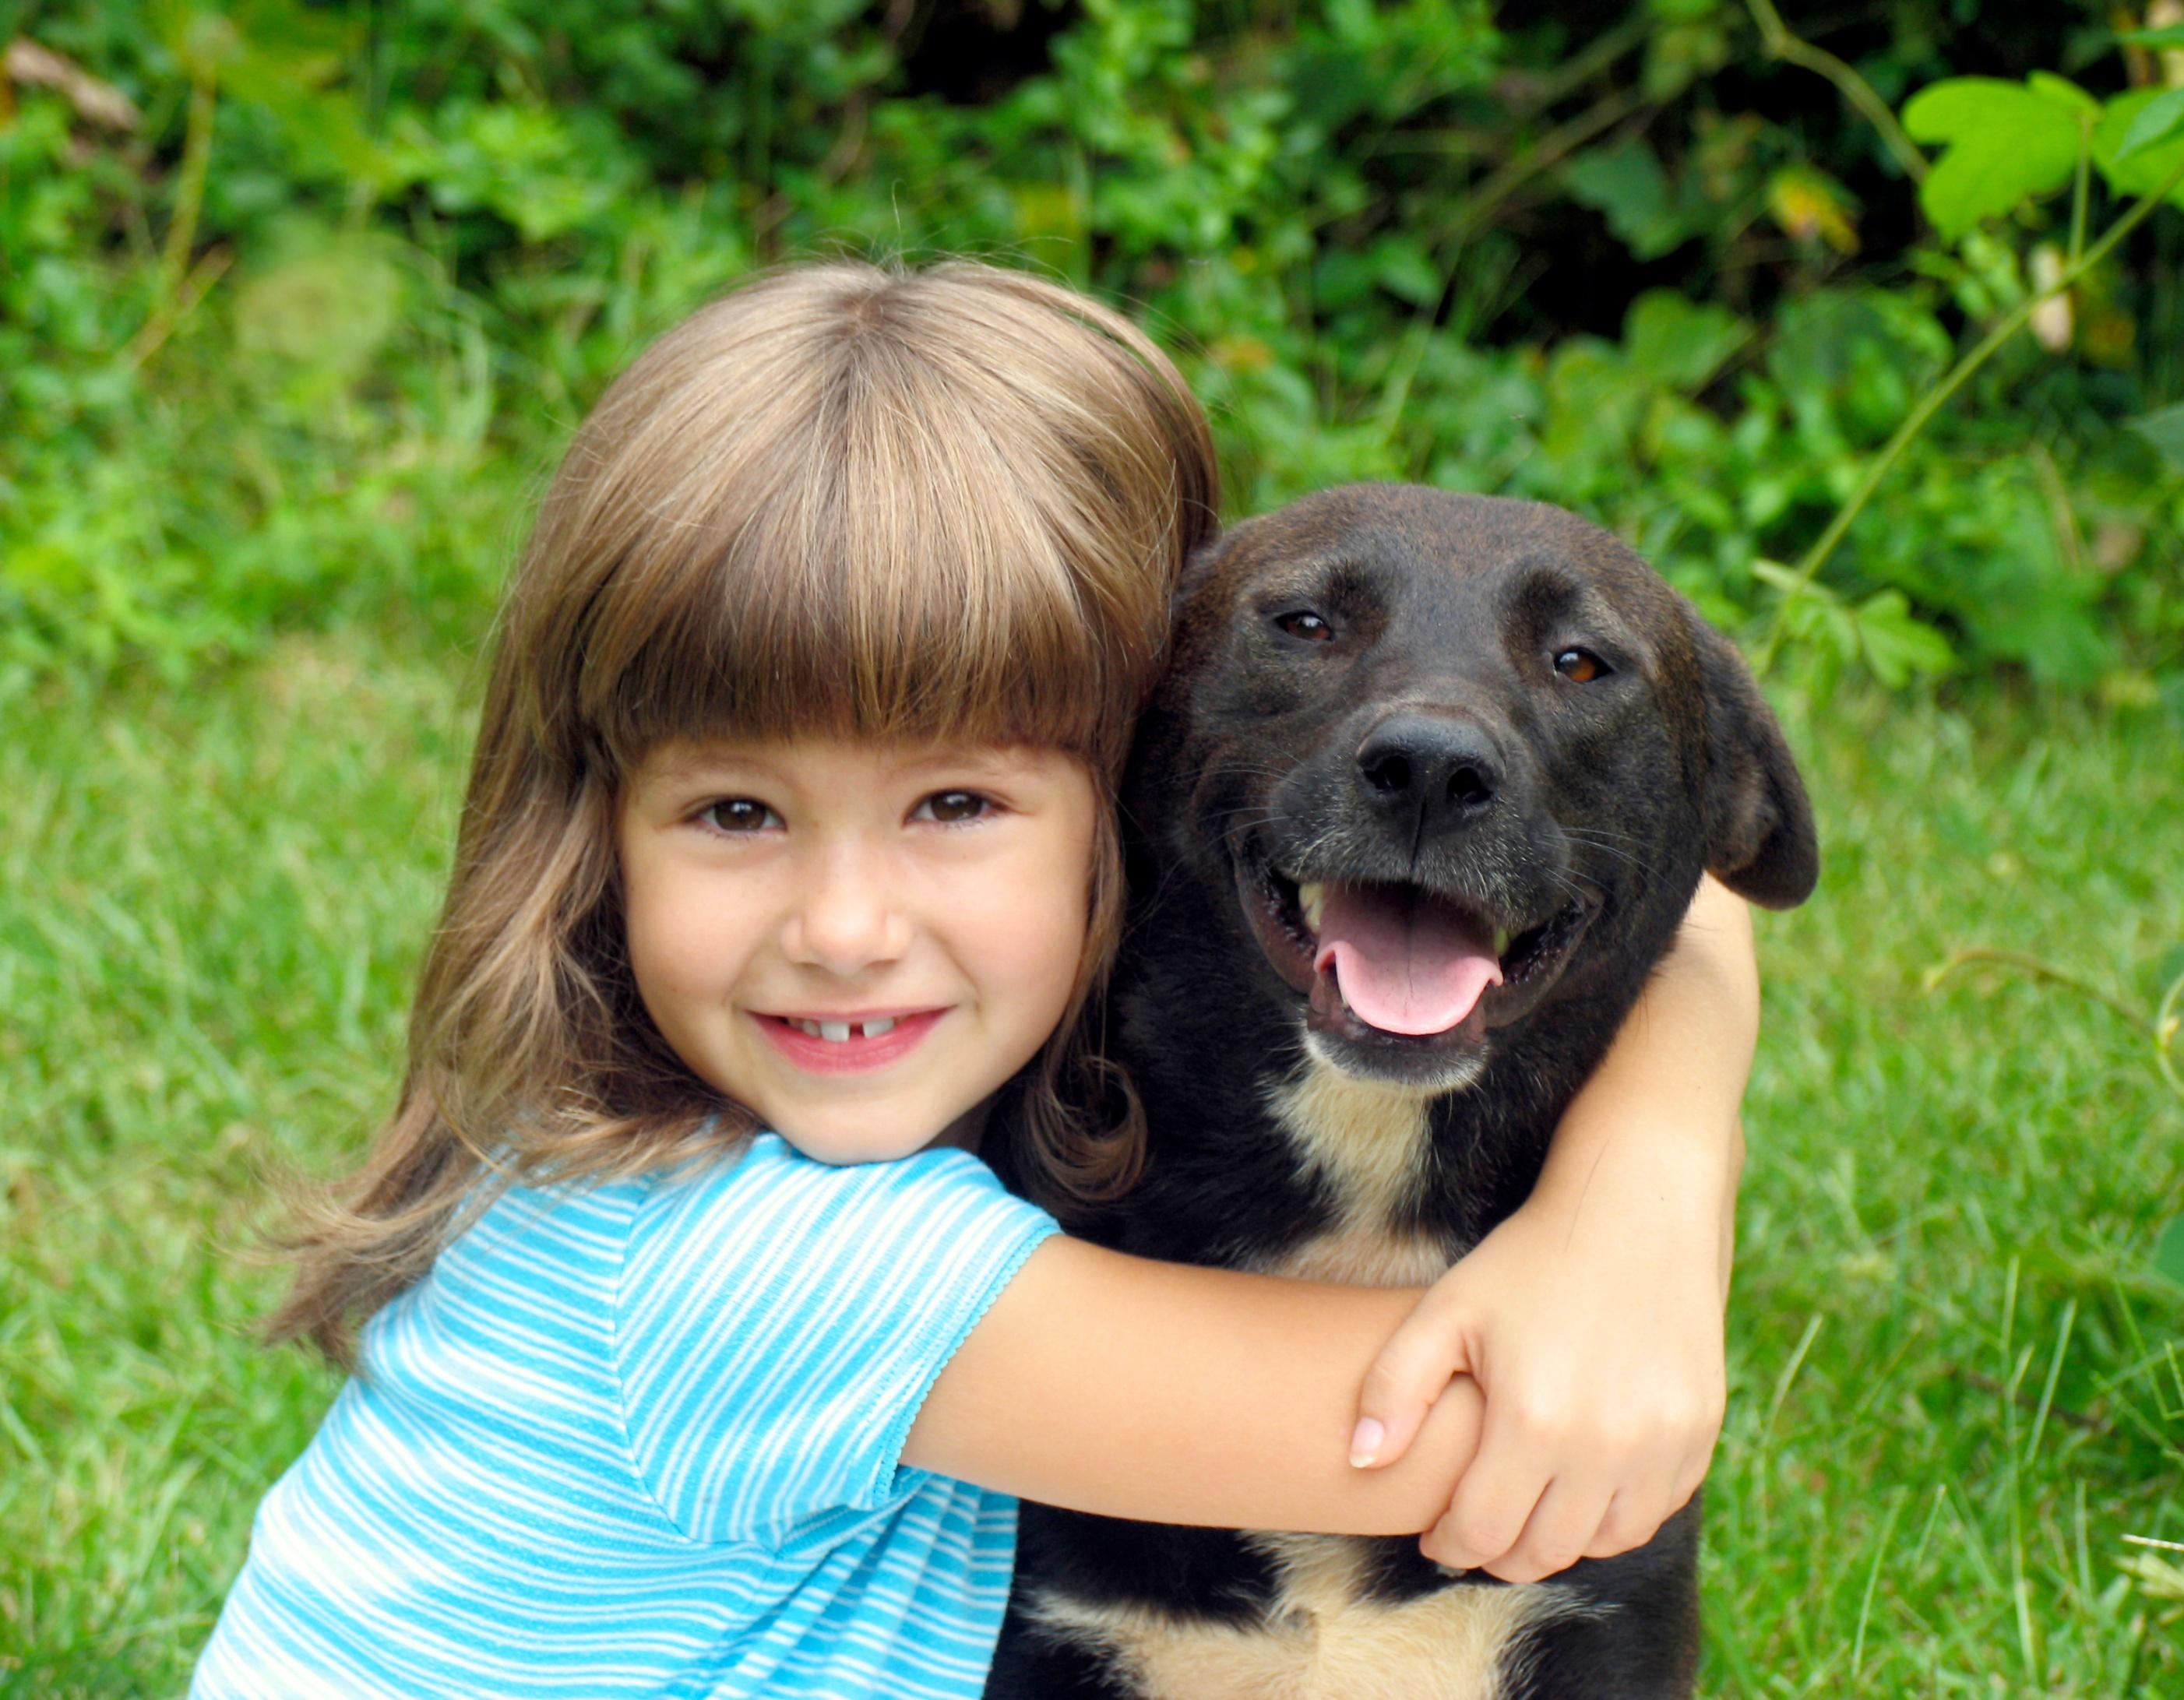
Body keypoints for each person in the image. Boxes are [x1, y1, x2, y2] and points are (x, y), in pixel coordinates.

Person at [189, 258, 1760, 1698]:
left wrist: (1655, 1144)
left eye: (954, 806)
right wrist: (1640, 1218)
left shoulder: (916, 1121)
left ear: (1124, 778)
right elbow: (1533, 1427)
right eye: (736, 814)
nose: (847, 926)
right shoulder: (765, 1268)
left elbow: (1709, 893)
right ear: (590, 839)